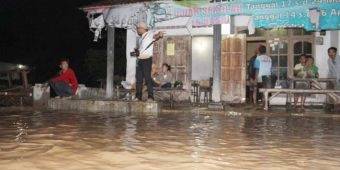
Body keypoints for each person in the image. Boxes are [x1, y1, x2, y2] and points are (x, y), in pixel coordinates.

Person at [134, 22, 164, 101]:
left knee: (148, 79)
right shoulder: (140, 38)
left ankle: (150, 97)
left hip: (147, 59)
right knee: (139, 79)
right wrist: (137, 51)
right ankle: (138, 97)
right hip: (139, 60)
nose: (137, 30)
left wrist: (159, 34)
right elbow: (141, 50)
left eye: (138, 28)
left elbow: (156, 36)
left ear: (142, 28)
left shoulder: (149, 34)